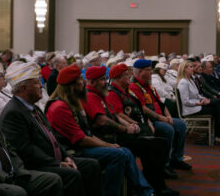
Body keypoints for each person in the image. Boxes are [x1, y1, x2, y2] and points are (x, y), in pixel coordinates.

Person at [46, 65, 155, 196]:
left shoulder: (71, 102)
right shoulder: (60, 107)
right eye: (81, 79)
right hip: (72, 151)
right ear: (71, 85)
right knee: (118, 154)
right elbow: (80, 139)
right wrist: (108, 145)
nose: (84, 82)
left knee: (123, 151)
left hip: (82, 144)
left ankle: (144, 191)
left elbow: (87, 133)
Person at [0, 62, 101, 196]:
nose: (41, 85)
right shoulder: (13, 113)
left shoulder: (33, 108)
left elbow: (52, 139)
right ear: (23, 88)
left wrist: (66, 157)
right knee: (72, 175)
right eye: (36, 83)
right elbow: (25, 150)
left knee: (91, 165)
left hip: (52, 160)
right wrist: (57, 163)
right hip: (36, 165)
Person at [0, 65, 64, 196]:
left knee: (52, 180)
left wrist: (17, 171)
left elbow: (8, 148)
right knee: (17, 192)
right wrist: (6, 177)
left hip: (12, 173)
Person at [82, 66, 179, 196]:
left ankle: (153, 184)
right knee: (153, 145)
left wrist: (139, 124)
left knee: (158, 143)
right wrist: (127, 127)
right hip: (109, 136)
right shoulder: (95, 95)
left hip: (118, 132)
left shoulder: (102, 93)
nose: (106, 82)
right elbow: (104, 120)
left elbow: (115, 115)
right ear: (92, 82)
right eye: (102, 79)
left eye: (105, 78)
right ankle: (153, 187)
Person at [106, 63, 178, 180]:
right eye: (126, 75)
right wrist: (138, 125)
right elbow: (119, 115)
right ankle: (154, 182)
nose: (129, 77)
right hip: (127, 132)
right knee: (156, 144)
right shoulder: (113, 93)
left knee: (160, 143)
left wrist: (147, 121)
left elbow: (140, 109)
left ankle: (157, 177)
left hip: (139, 126)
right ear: (118, 78)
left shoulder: (126, 92)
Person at [128, 59, 191, 171]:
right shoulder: (134, 86)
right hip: (149, 120)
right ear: (140, 72)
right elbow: (143, 108)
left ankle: (176, 159)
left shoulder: (149, 86)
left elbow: (161, 103)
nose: (152, 72)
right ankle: (164, 165)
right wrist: (161, 118)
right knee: (168, 129)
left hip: (159, 117)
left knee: (181, 125)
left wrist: (168, 116)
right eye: (149, 70)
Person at [177, 61, 220, 145]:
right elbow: (185, 102)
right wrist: (200, 103)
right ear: (185, 69)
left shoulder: (190, 80)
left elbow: (197, 95)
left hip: (197, 105)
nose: (193, 68)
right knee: (219, 105)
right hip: (191, 109)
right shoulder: (183, 82)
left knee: (219, 104)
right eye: (191, 67)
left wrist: (203, 98)